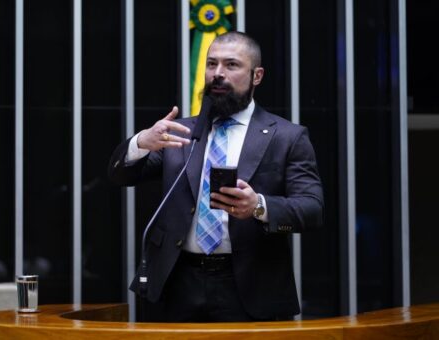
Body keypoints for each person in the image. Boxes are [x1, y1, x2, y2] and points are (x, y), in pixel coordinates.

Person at [108, 31, 324, 322]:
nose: (218, 74)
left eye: (231, 65)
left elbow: (312, 210)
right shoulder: (180, 133)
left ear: (256, 76)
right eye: (212, 64)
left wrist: (259, 206)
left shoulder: (287, 136)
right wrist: (141, 142)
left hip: (249, 284)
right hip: (177, 281)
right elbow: (121, 176)